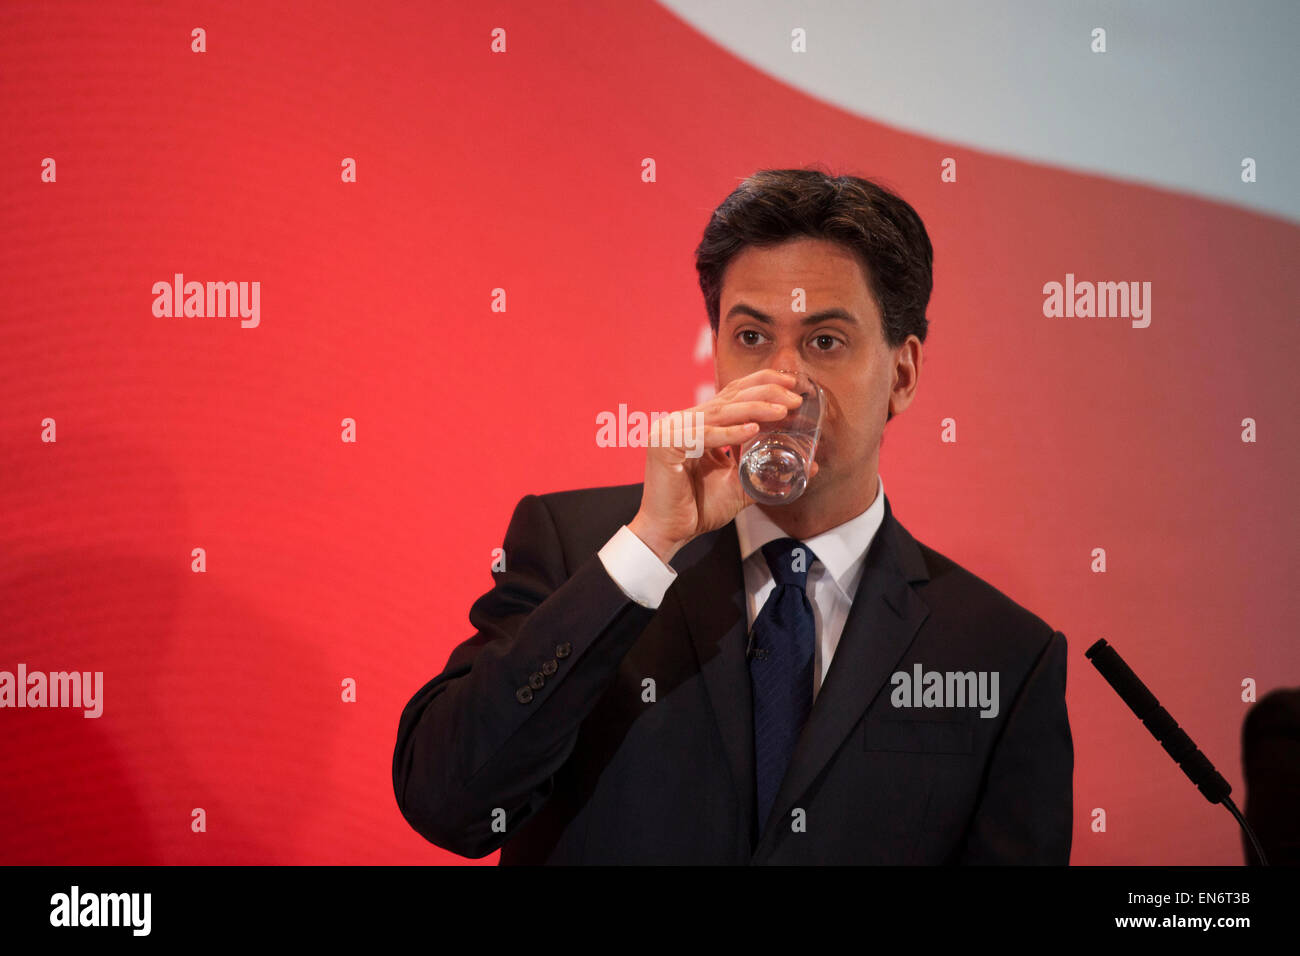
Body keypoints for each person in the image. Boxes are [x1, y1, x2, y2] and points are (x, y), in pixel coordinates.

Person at [392, 167, 1073, 864]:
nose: (784, 381)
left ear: (902, 375)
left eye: (824, 342)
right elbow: (449, 804)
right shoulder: (581, 550)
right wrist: (648, 547)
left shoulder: (1003, 655)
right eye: (751, 338)